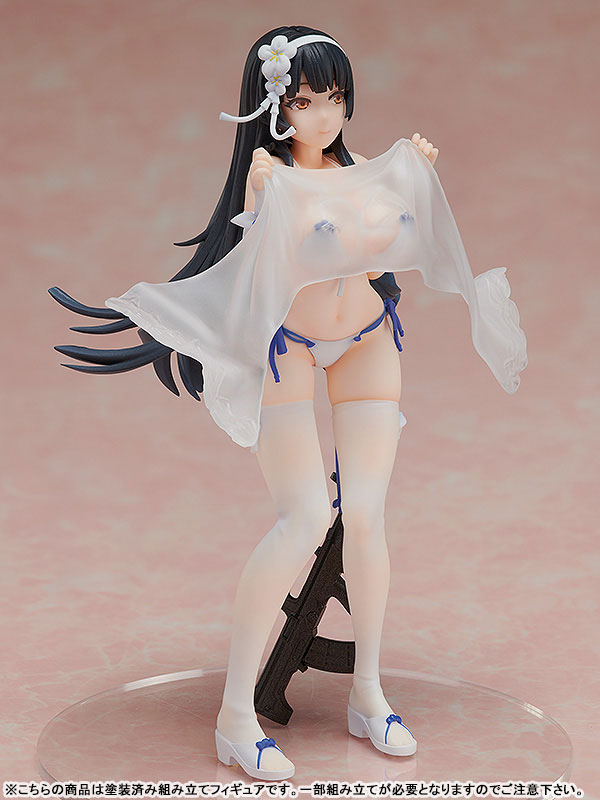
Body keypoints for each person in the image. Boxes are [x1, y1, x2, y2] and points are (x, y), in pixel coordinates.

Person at [50, 24, 527, 782]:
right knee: (303, 518)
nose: (325, 116)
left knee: (365, 517)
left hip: (368, 338)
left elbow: (394, 238)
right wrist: (268, 200)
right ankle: (235, 715)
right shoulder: (268, 177)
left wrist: (414, 174)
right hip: (289, 349)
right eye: (306, 102)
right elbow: (263, 257)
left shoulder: (365, 168)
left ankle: (368, 691)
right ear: (273, 107)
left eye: (335, 98)